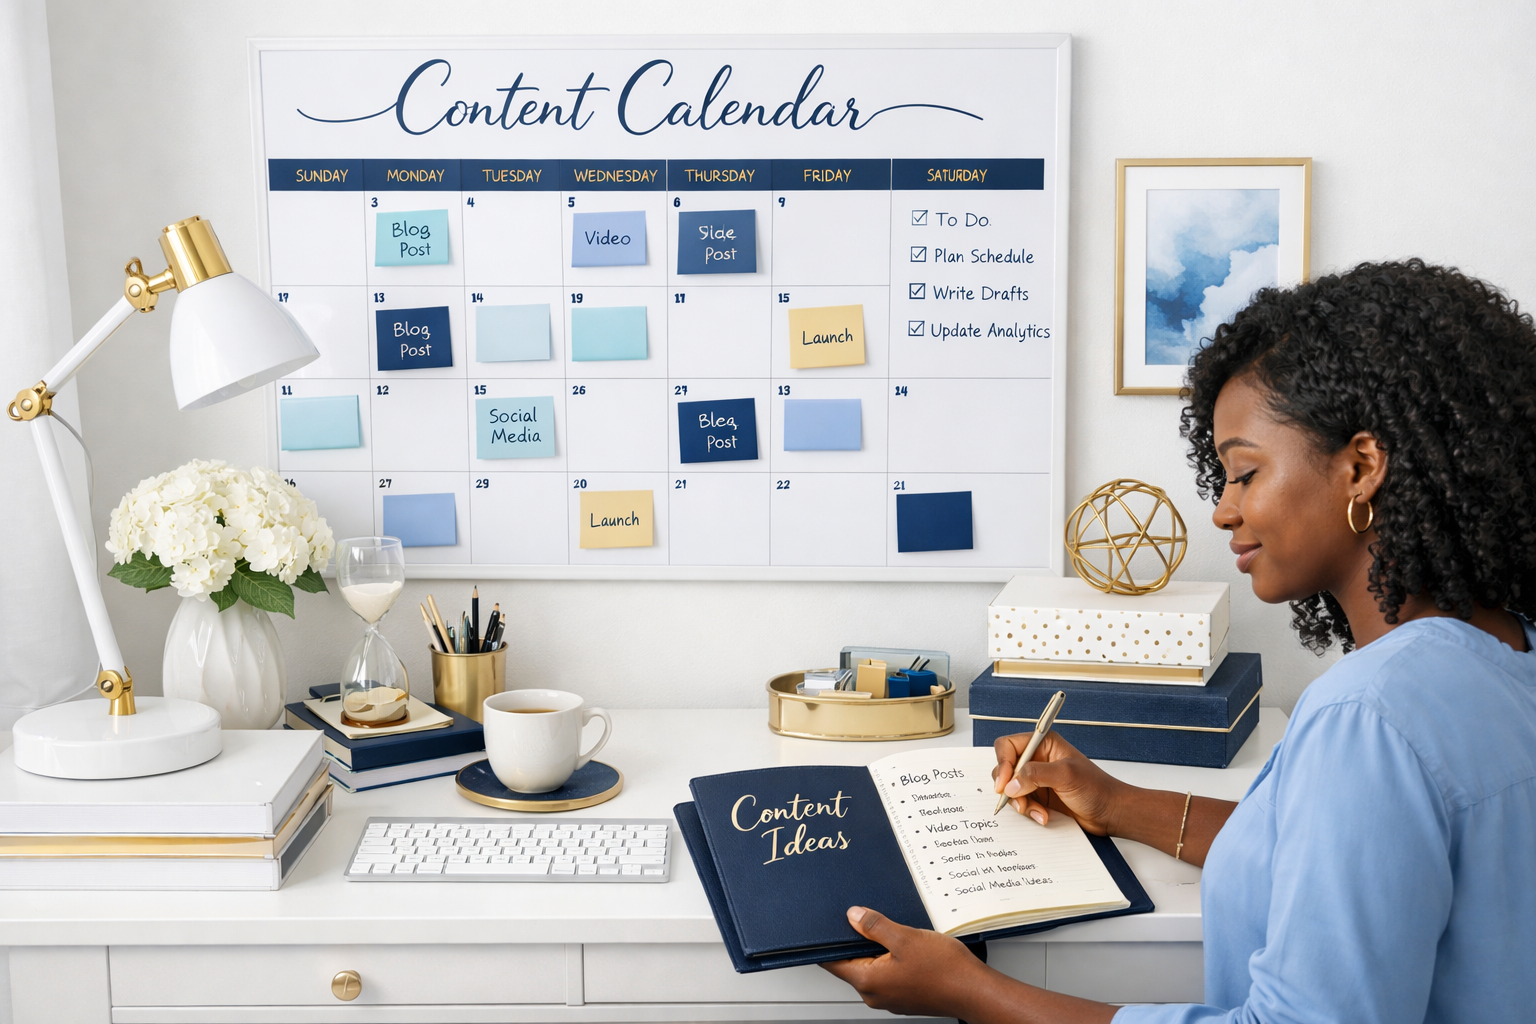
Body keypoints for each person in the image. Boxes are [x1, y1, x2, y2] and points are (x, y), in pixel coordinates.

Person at [821, 259, 1536, 1023]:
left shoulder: (1370, 715)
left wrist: (968, 990)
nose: (1224, 512)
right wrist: (1115, 802)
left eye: (1245, 473)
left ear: (1361, 466)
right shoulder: (1504, 651)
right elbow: (1344, 852)